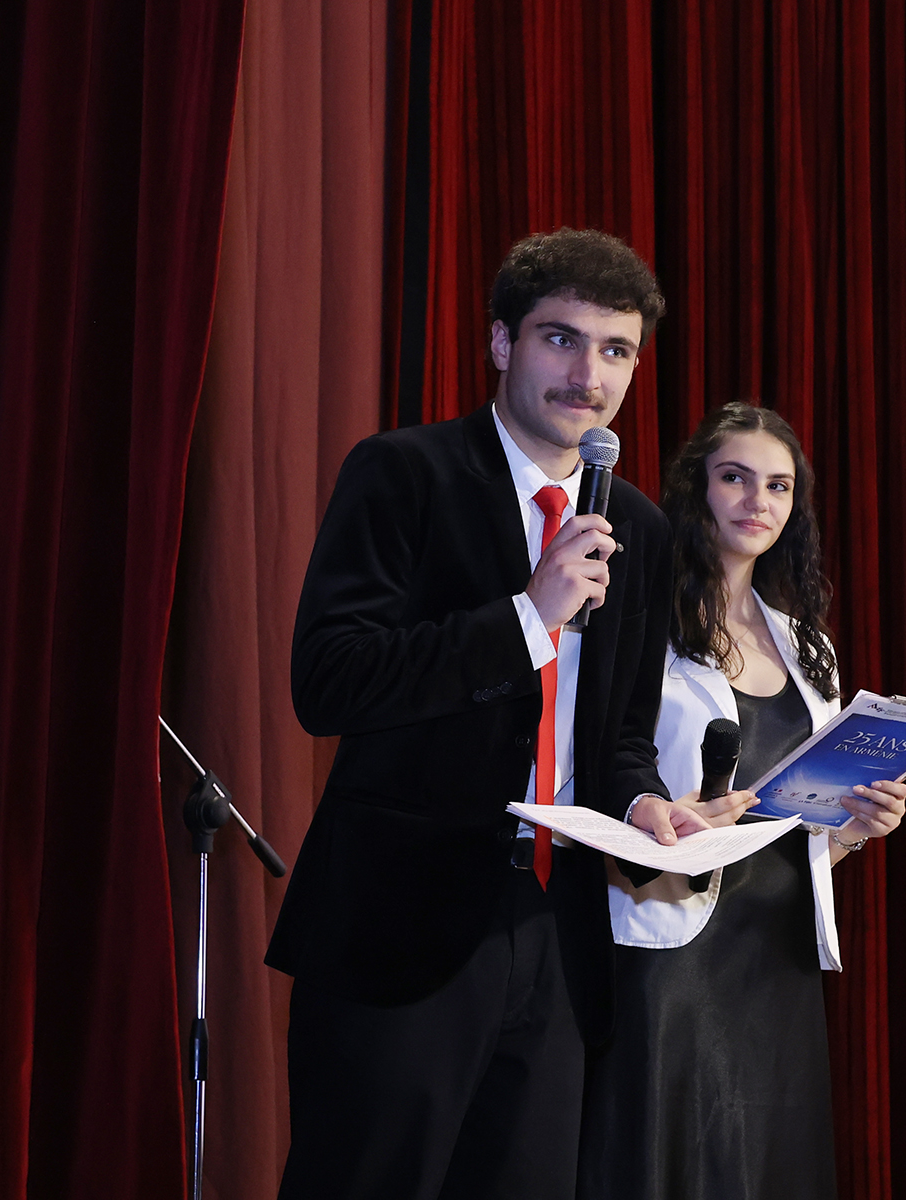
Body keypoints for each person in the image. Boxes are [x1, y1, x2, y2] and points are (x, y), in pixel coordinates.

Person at [267, 228, 709, 1200]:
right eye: (561, 339)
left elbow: (619, 738)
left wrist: (646, 806)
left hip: (557, 932)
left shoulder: (636, 526)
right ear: (502, 342)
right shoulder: (404, 474)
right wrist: (526, 617)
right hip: (402, 928)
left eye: (616, 350)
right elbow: (329, 682)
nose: (588, 375)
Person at [577, 402, 906, 1200]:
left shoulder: (808, 645)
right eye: (736, 477)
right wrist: (669, 817)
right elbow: (594, 772)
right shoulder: (641, 617)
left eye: (779, 486)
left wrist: (857, 828)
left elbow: (800, 832)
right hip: (672, 943)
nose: (758, 500)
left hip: (777, 948)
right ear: (697, 487)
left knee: (767, 1168)